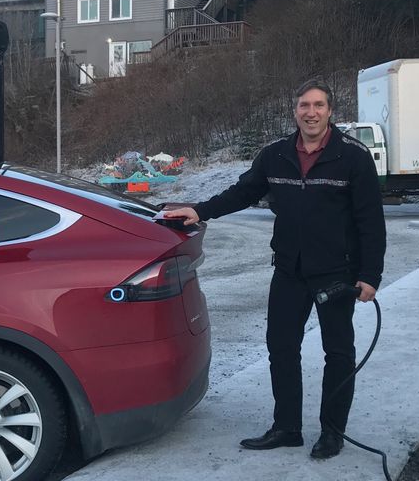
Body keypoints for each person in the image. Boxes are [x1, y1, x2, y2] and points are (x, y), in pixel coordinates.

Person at [163, 81, 385, 459]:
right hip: (289, 270)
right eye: (304, 105)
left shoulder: (353, 157)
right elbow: (243, 192)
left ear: (330, 111)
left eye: (318, 105)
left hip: (337, 273)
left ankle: (332, 432)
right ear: (294, 110)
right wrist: (200, 210)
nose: (310, 112)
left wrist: (371, 275)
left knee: (339, 353)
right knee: (281, 349)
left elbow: (370, 221)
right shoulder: (276, 155)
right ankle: (287, 427)